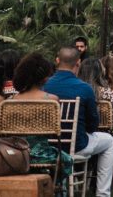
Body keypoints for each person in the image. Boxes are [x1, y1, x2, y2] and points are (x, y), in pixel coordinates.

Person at [45, 46, 113, 197]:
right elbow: (92, 125)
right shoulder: (84, 88)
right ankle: (103, 194)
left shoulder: (44, 86)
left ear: (57, 61)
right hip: (76, 145)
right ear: (78, 63)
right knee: (109, 141)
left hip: (48, 145)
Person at [12, 53, 74, 183]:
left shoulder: (11, 101)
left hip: (17, 154)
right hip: (42, 155)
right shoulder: (51, 100)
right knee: (66, 160)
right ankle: (53, 189)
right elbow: (55, 131)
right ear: (45, 78)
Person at [83, 58, 113, 140]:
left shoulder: (77, 91)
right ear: (100, 73)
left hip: (80, 134)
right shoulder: (107, 93)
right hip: (104, 135)